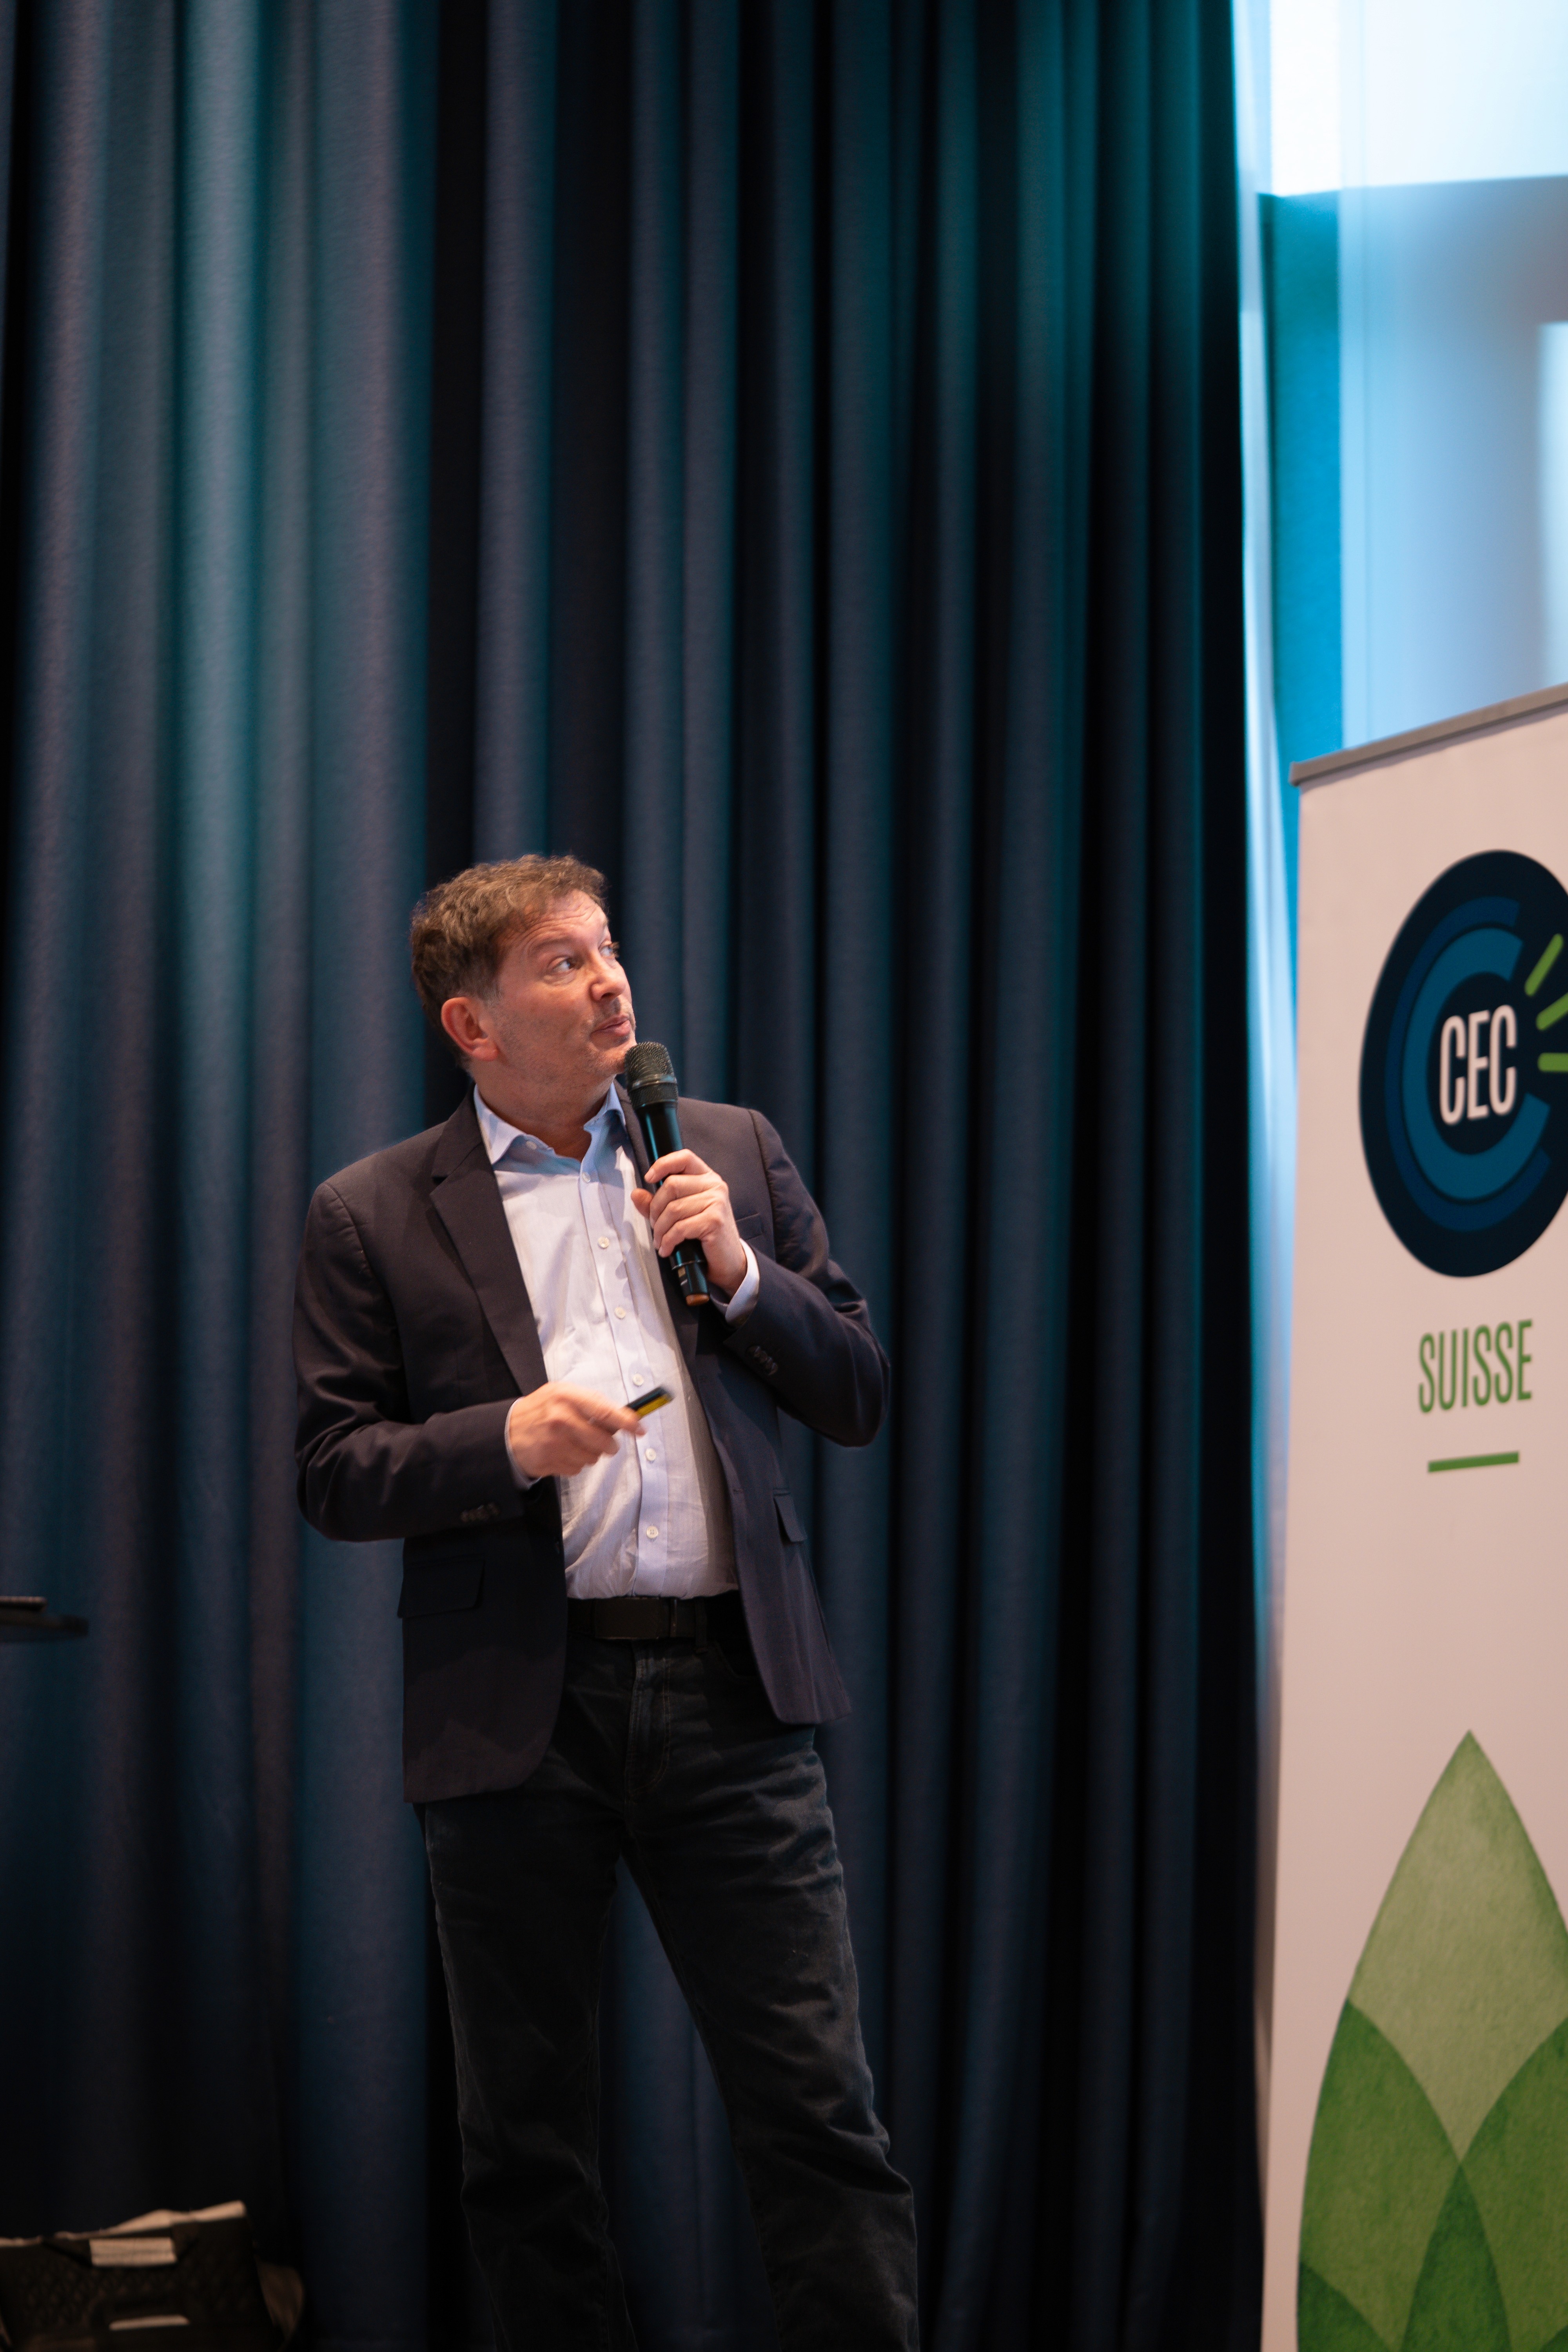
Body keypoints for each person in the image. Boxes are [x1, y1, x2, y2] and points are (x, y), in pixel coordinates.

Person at [292, 855, 918, 2350]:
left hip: (733, 1697)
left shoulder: (726, 1150)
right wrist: (501, 1442)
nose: (611, 981)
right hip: (523, 1715)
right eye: (563, 963)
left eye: (608, 949)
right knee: (529, 2150)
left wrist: (742, 1270)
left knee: (819, 2116)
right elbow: (333, 1469)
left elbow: (857, 1391)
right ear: (474, 1023)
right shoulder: (374, 1211)